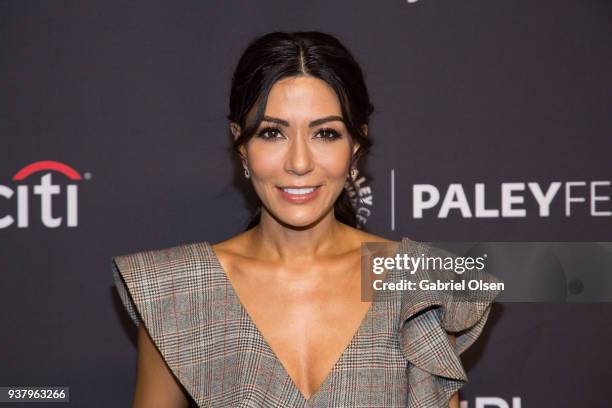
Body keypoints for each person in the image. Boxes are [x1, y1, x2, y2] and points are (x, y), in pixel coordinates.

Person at [112, 31, 501, 408]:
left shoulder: (418, 282)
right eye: (272, 133)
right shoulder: (177, 291)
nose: (299, 162)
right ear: (241, 146)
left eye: (326, 134)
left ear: (356, 146)